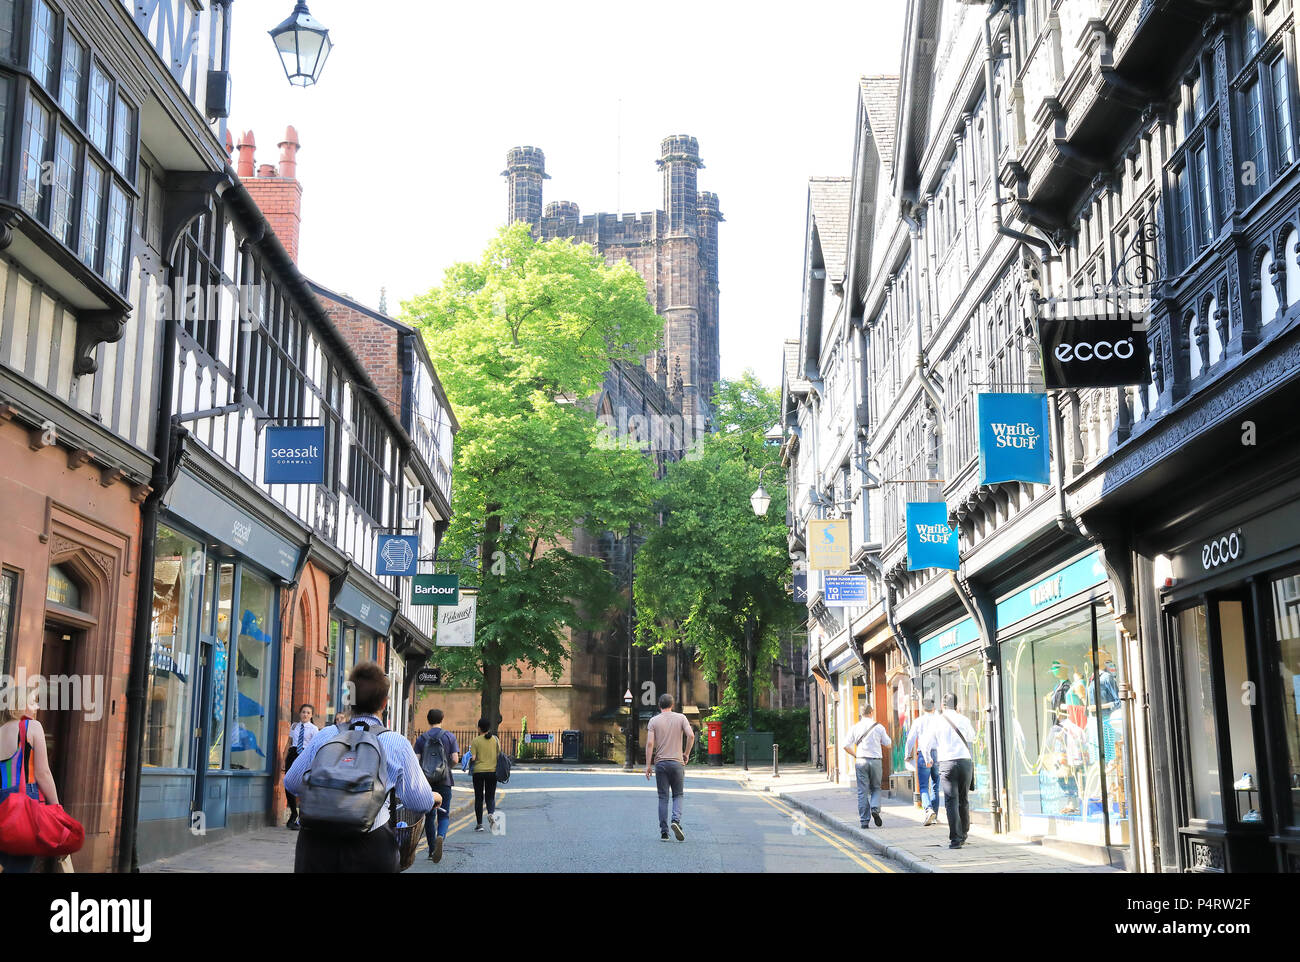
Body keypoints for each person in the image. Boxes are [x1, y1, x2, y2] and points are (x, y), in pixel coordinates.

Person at [284, 663, 436, 873]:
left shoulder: (325, 735)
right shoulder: (396, 743)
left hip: (316, 844)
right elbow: (419, 802)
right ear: (384, 703)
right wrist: (434, 798)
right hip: (371, 846)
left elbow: (291, 783)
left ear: (350, 701)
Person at [0, 703, 61, 874]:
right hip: (25, 802)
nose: (38, 705)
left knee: (8, 862)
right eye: (33, 701)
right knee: (19, 865)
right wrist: (57, 808)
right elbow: (43, 773)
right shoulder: (32, 726)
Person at [925, 692, 977, 849]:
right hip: (965, 762)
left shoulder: (937, 721)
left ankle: (955, 839)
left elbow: (927, 743)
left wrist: (928, 758)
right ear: (957, 705)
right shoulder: (964, 719)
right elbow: (972, 737)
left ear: (942, 705)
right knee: (964, 799)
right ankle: (964, 833)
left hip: (947, 763)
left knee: (951, 801)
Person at [645, 693, 694, 841]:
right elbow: (691, 736)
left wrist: (648, 765)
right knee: (678, 795)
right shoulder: (681, 718)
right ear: (672, 705)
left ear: (659, 705)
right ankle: (675, 821)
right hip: (677, 763)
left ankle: (664, 832)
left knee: (663, 797)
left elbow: (649, 744)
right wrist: (686, 754)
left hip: (660, 764)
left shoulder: (653, 721)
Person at [412, 708, 460, 862]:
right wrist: (446, 769)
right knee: (444, 815)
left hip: (426, 783)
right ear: (442, 719)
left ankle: (432, 850)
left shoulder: (421, 739)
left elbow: (416, 760)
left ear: (428, 720)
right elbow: (455, 759)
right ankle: (441, 836)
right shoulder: (449, 737)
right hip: (444, 781)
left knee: (430, 815)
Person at [843, 703, 891, 828]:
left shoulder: (855, 727)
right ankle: (875, 808)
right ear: (872, 712)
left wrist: (855, 755)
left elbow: (845, 745)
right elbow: (888, 743)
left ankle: (864, 821)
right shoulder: (878, 727)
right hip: (875, 761)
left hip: (861, 760)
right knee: (876, 787)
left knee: (862, 791)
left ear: (861, 714)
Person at [903, 696, 940, 826]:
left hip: (923, 755)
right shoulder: (939, 720)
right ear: (934, 707)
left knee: (923, 786)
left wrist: (907, 755)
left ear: (923, 708)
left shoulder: (918, 721)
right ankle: (934, 815)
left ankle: (928, 809)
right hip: (937, 754)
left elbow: (910, 739)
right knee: (936, 785)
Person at [284, 703, 319, 830]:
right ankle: (293, 813)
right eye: (303, 712)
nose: (305, 714)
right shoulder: (294, 726)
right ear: (300, 713)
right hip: (293, 754)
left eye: (308, 713)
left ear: (311, 715)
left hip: (305, 755)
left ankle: (302, 816)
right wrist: (284, 758)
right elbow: (289, 743)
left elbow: (315, 746)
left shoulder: (314, 729)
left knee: (304, 785)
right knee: (288, 783)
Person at [469, 717, 501, 832]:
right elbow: (499, 756)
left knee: (479, 798)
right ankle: (491, 814)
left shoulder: (476, 741)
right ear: (488, 728)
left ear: (479, 728)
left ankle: (479, 824)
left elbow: (473, 758)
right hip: (492, 772)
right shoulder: (495, 740)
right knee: (490, 796)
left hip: (478, 772)